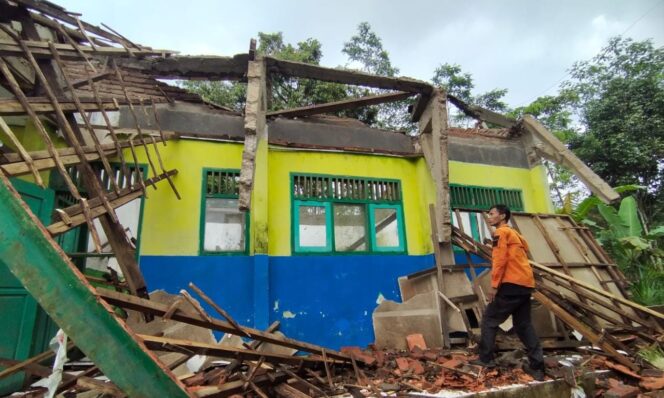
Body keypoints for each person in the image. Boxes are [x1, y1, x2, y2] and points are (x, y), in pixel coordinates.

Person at [471, 204, 545, 381]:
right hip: (525, 284)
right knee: (523, 325)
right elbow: (524, 251)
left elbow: (500, 260)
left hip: (510, 284)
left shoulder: (501, 233)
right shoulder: (516, 234)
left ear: (502, 216)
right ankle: (537, 367)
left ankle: (485, 359)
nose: (489, 217)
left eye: (492, 214)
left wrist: (494, 286)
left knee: (489, 320)